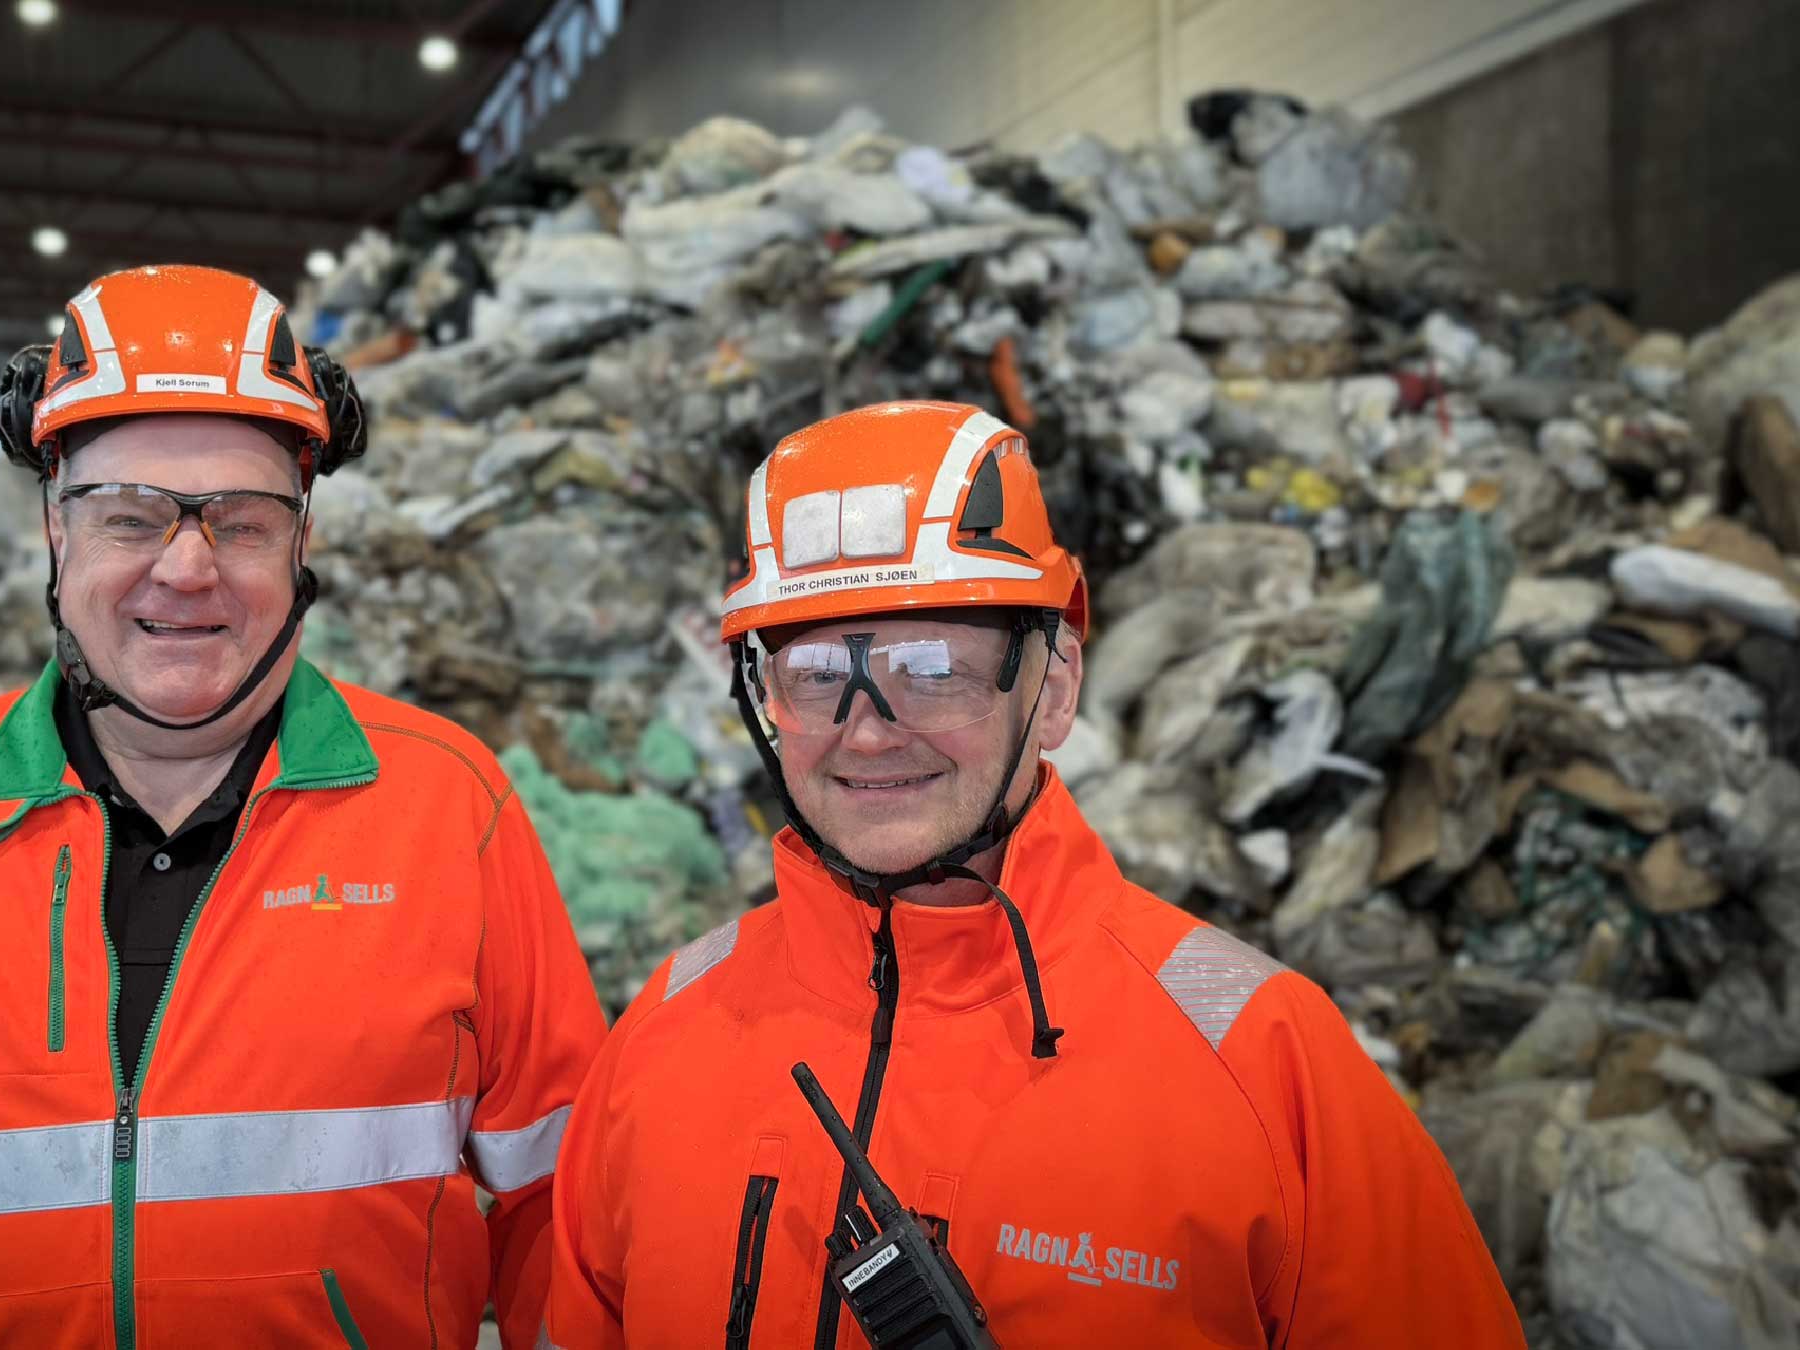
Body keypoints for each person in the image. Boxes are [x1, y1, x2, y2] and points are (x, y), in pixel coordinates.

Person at [0, 265, 605, 1349]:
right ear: (53, 527)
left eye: (243, 518)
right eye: (129, 516)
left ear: (303, 538)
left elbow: (566, 1203)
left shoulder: (449, 805)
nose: (187, 567)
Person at [546, 401, 1524, 1348]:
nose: (869, 728)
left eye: (932, 668)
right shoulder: (663, 1038)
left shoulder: (1262, 1059)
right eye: (812, 677)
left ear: (1052, 693)